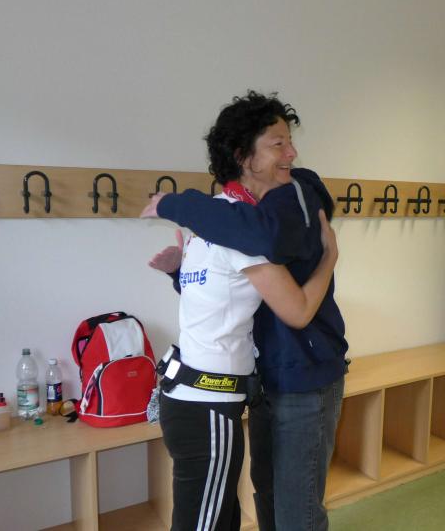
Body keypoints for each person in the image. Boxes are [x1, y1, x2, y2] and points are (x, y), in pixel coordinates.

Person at [148, 91, 349, 531]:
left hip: (303, 376)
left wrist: (174, 204)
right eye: (278, 143)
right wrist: (180, 272)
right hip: (257, 383)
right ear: (244, 156)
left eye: (290, 141)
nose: (292, 152)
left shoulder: (295, 192)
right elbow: (224, 293)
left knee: (295, 511)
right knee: (265, 497)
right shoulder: (225, 219)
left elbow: (263, 243)